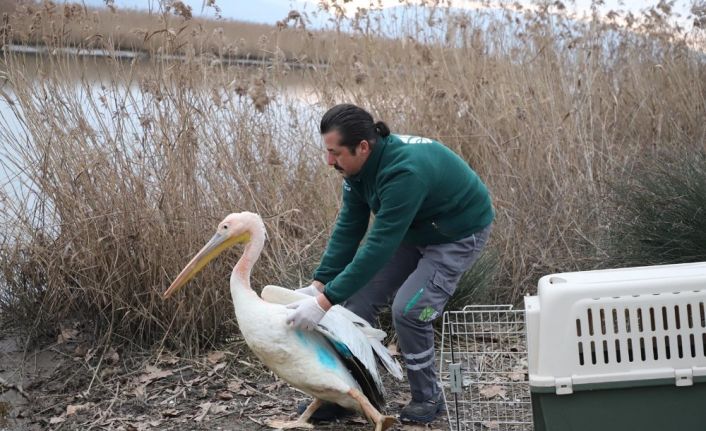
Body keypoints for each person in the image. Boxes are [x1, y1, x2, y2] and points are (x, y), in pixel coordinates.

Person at [286, 103, 494, 424]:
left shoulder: (403, 173)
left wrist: (324, 302)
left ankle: (429, 397)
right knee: (354, 304)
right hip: (415, 226)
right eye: (326, 152)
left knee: (410, 310)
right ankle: (346, 397)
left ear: (363, 147)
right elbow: (349, 228)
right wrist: (319, 285)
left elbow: (379, 245)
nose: (329, 161)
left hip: (457, 231)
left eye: (335, 152)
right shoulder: (356, 169)